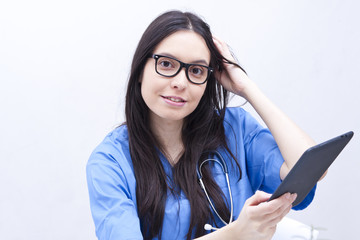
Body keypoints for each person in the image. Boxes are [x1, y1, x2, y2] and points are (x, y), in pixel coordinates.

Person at [86, 10, 319, 240]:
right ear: (140, 70)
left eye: (196, 71)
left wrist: (245, 86)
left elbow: (312, 167)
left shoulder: (234, 128)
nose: (180, 82)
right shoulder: (110, 161)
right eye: (166, 64)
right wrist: (236, 234)